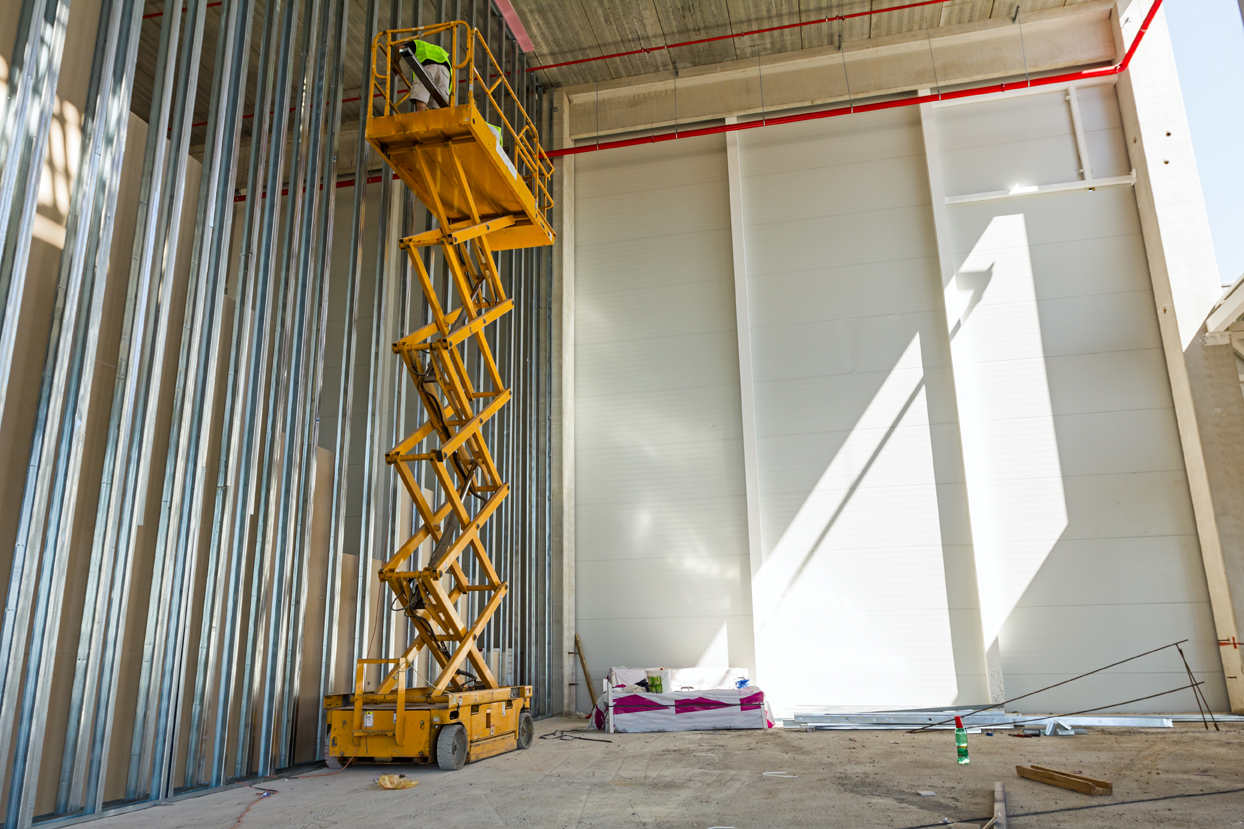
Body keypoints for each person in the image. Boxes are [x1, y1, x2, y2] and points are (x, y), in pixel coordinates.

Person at [400, 39, 452, 112]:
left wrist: (395, 63)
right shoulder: (443, 55)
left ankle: (420, 119)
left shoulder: (419, 44)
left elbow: (401, 48)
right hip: (445, 72)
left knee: (421, 101)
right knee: (440, 110)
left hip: (428, 66)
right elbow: (450, 87)